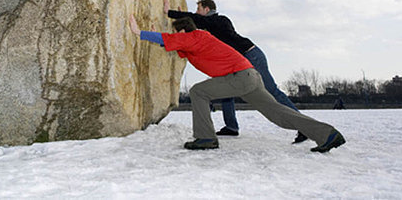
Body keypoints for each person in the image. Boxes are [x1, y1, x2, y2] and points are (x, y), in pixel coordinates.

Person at [129, 14, 346, 152]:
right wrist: (168, 10)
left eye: (178, 32)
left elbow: (169, 40)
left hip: (240, 77)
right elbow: (172, 45)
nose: (177, 37)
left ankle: (206, 138)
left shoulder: (196, 35)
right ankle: (327, 134)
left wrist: (139, 33)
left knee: (198, 91)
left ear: (184, 31)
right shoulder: (195, 43)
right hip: (250, 77)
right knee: (277, 113)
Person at [164, 0, 307, 144]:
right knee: (226, 90)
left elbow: (199, 21)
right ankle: (231, 126)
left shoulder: (219, 20)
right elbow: (193, 31)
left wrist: (170, 13)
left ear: (207, 9)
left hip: (251, 55)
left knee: (272, 90)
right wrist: (184, 22)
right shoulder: (210, 27)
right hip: (237, 64)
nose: (197, 12)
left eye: (199, 9)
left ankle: (304, 126)